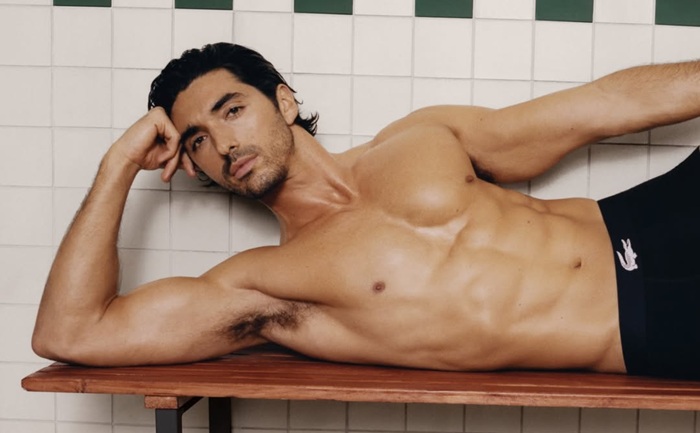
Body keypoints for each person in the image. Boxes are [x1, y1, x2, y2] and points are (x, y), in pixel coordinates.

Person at [32, 43, 700, 379]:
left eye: (232, 110)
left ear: (284, 102)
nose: (224, 143)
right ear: (193, 166)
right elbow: (72, 332)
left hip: (649, 219)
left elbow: (602, 107)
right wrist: (119, 165)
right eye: (197, 140)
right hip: (644, 322)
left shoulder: (419, 138)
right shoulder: (268, 286)